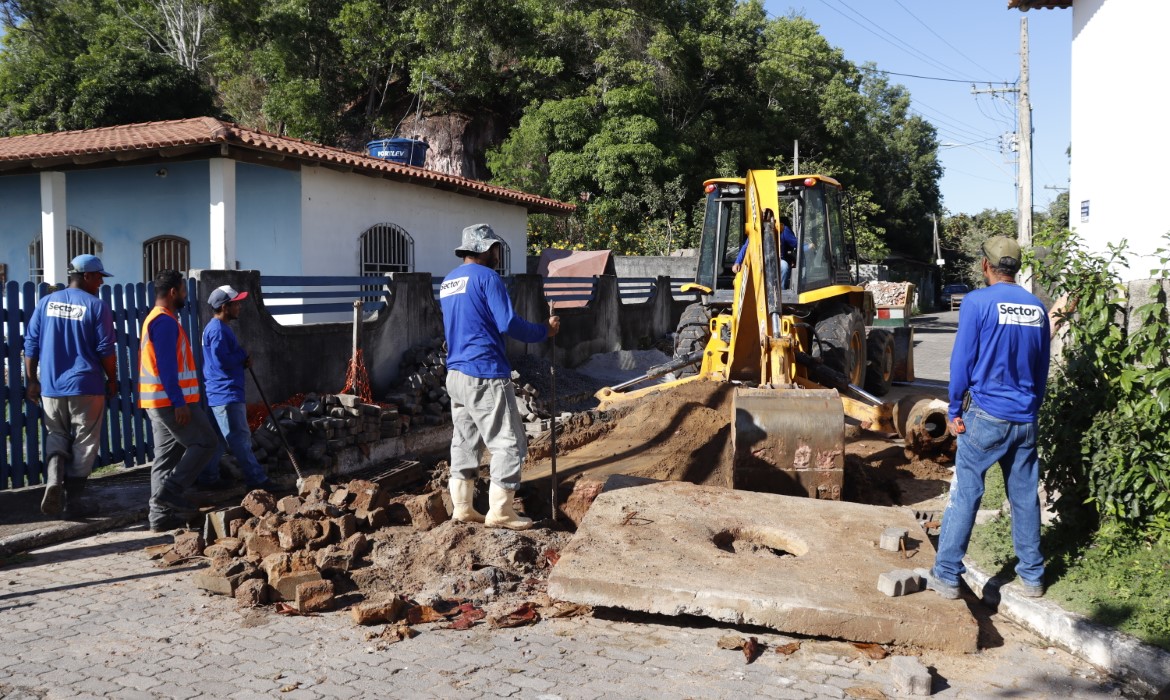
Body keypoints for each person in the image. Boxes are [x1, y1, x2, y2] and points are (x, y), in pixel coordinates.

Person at [928, 236, 1051, 600]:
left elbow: (961, 361)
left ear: (986, 265)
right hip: (1025, 417)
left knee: (966, 492)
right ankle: (1032, 578)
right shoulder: (1036, 307)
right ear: (1016, 267)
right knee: (1025, 496)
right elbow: (1041, 369)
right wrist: (1032, 407)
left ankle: (947, 574)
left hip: (984, 415)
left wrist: (953, 409)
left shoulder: (977, 302)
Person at [440, 223, 560, 530]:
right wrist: (544, 330)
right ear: (484, 249)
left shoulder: (449, 282)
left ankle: (463, 507)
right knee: (509, 442)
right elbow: (508, 323)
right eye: (496, 248)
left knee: (465, 442)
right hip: (484, 372)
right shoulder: (488, 278)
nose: (498, 254)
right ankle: (501, 511)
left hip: (455, 374)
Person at [23, 254, 118, 518]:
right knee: (85, 442)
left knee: (56, 434)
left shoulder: (45, 304)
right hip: (86, 385)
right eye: (98, 276)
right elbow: (105, 349)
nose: (100, 281)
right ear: (85, 276)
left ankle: (54, 479)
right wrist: (112, 378)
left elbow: (30, 344)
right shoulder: (96, 306)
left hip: (51, 387)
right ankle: (74, 501)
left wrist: (32, 380)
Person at [139, 269, 219, 532]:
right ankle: (171, 492)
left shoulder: (159, 318)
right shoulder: (164, 322)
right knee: (206, 443)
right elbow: (166, 367)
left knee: (165, 458)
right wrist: (179, 402)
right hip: (170, 402)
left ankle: (159, 517)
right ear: (173, 292)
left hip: (158, 401)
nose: (186, 295)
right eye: (183, 290)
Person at [202, 284, 272, 490]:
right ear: (225, 307)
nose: (240, 307)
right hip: (226, 394)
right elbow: (221, 361)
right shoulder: (218, 331)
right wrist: (243, 356)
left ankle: (208, 478)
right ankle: (258, 480)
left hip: (219, 394)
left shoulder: (216, 328)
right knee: (240, 439)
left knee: (217, 441)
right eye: (236, 303)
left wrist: (241, 359)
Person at [731, 215, 798, 288]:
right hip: (759, 260)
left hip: (777, 260)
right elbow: (746, 247)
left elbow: (796, 243)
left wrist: (808, 246)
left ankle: (782, 290)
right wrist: (738, 262)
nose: (766, 218)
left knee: (784, 266)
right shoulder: (756, 230)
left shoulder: (782, 229)